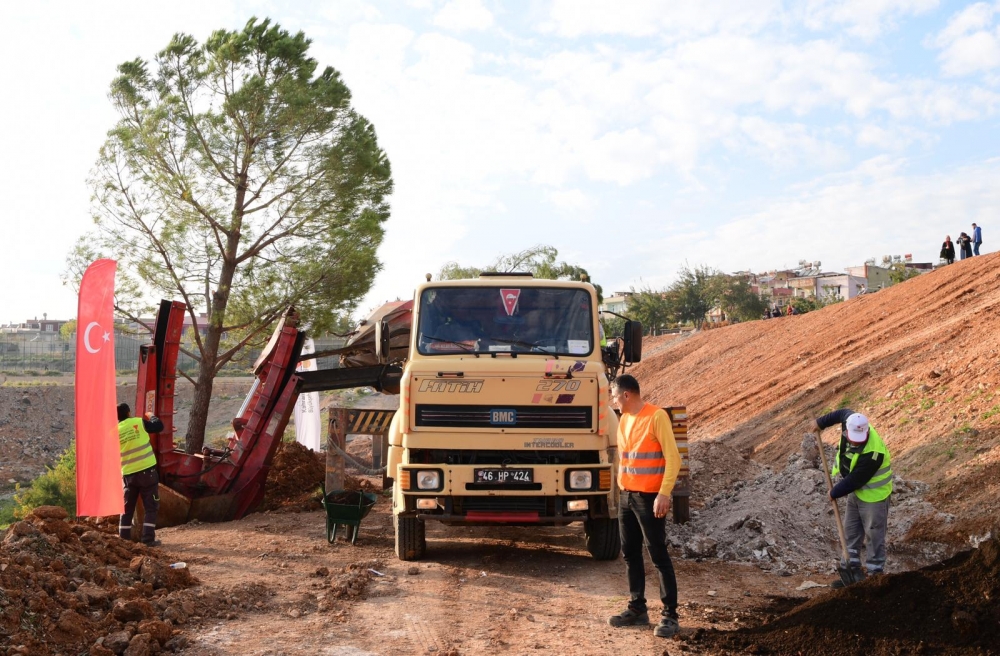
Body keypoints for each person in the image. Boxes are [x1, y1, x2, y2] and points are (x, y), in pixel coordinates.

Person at [607, 375, 682, 639]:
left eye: (615, 397)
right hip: (627, 497)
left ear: (627, 395)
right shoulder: (624, 419)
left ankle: (670, 615)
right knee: (629, 553)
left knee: (658, 555)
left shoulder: (657, 416)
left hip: (650, 498)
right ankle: (637, 607)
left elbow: (673, 458)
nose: (614, 402)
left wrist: (664, 493)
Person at [812, 409, 892, 587]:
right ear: (847, 431)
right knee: (850, 532)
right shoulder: (852, 421)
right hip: (856, 493)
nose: (855, 442)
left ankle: (875, 576)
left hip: (874, 496)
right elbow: (841, 413)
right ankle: (851, 572)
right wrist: (820, 422)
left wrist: (834, 492)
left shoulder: (873, 453)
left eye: (859, 439)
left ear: (867, 432)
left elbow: (856, 479)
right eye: (852, 438)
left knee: (874, 535)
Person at [117, 403, 164, 546]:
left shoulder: (114, 431)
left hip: (128, 475)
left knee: (126, 509)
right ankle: (148, 540)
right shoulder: (138, 422)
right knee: (151, 507)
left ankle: (123, 542)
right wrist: (151, 416)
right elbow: (159, 427)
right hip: (146, 472)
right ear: (129, 413)